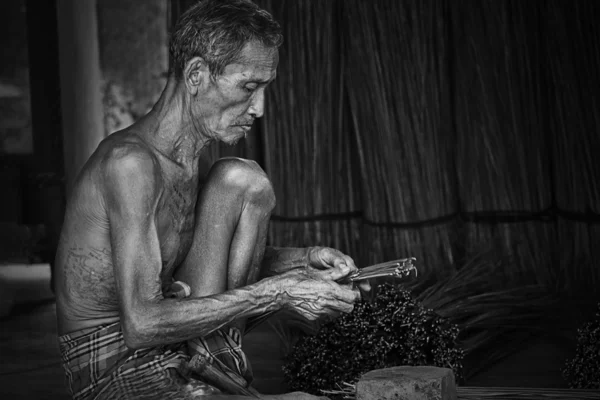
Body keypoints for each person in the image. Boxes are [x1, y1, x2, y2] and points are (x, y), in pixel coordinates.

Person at [54, 1, 368, 399]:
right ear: (197, 74)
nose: (259, 108)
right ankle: (213, 381)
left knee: (242, 180)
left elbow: (189, 254)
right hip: (116, 362)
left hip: (180, 344)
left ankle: (217, 364)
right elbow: (141, 325)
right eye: (249, 87)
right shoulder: (130, 165)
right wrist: (279, 292)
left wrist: (303, 261)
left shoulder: (191, 163)